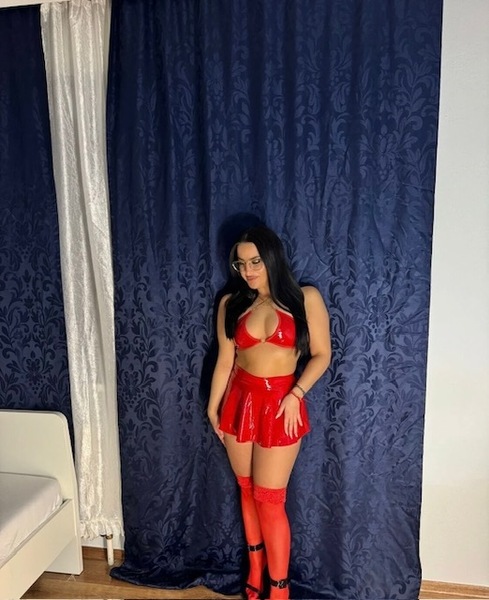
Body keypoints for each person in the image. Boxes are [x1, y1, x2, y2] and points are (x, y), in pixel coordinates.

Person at [207, 225, 331, 600]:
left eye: (256, 261)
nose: (248, 271)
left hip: (280, 405)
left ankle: (280, 588)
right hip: (239, 401)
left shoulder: (305, 298)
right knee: (247, 491)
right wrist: (213, 408)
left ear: (272, 258)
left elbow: (322, 355)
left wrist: (296, 393)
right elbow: (225, 360)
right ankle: (255, 567)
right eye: (241, 264)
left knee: (270, 500)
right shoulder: (231, 303)